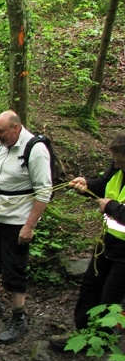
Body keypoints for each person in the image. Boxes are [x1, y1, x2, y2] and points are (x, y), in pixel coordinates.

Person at [0, 110, 52, 343]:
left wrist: (30, 226)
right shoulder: (0, 146)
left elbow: (44, 192)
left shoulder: (35, 150)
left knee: (15, 268)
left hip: (17, 220)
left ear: (15, 128)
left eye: (1, 131)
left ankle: (19, 317)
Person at [52, 131, 125, 344]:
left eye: (120, 161)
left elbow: (114, 205)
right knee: (90, 287)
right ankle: (81, 334)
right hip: (107, 241)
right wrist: (86, 185)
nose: (116, 165)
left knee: (111, 296)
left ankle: (102, 342)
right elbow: (102, 184)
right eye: (114, 160)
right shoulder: (117, 167)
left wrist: (111, 207)